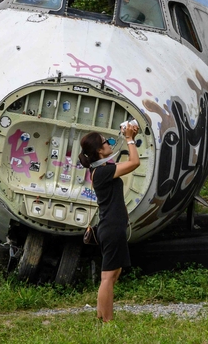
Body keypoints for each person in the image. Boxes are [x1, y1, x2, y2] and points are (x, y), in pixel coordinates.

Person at [78, 124, 140, 322]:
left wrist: (130, 136)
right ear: (99, 150)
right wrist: (129, 140)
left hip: (113, 227)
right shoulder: (103, 172)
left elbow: (128, 163)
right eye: (106, 142)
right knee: (107, 277)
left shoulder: (103, 169)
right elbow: (134, 163)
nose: (110, 144)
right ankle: (107, 321)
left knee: (114, 274)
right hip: (111, 228)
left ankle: (101, 315)